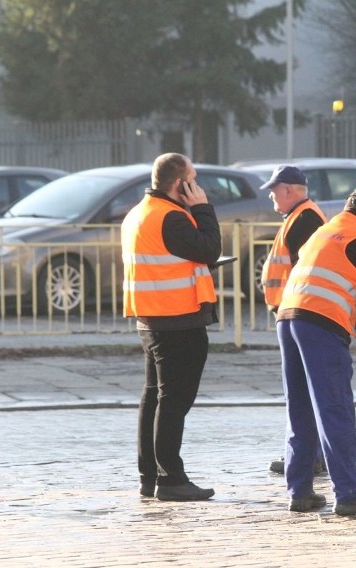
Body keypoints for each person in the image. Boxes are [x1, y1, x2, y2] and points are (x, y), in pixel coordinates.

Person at [277, 188, 356, 517]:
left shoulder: (325, 231)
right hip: (322, 324)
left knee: (300, 408)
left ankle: (299, 491)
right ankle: (350, 494)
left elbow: (348, 274)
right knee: (335, 409)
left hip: (288, 318)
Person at [121, 152, 221, 502]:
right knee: (174, 401)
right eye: (193, 180)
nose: (198, 187)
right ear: (180, 184)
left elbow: (177, 260)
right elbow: (209, 249)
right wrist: (204, 210)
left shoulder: (138, 214)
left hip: (150, 318)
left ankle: (149, 476)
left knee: (154, 397)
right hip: (178, 320)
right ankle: (171, 478)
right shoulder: (174, 218)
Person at [258, 165, 328, 476]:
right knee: (303, 390)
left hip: (301, 315)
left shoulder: (305, 219)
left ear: (289, 190)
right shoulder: (299, 217)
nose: (271, 195)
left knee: (301, 391)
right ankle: (305, 456)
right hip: (296, 314)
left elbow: (307, 270)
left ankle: (306, 458)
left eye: (274, 189)